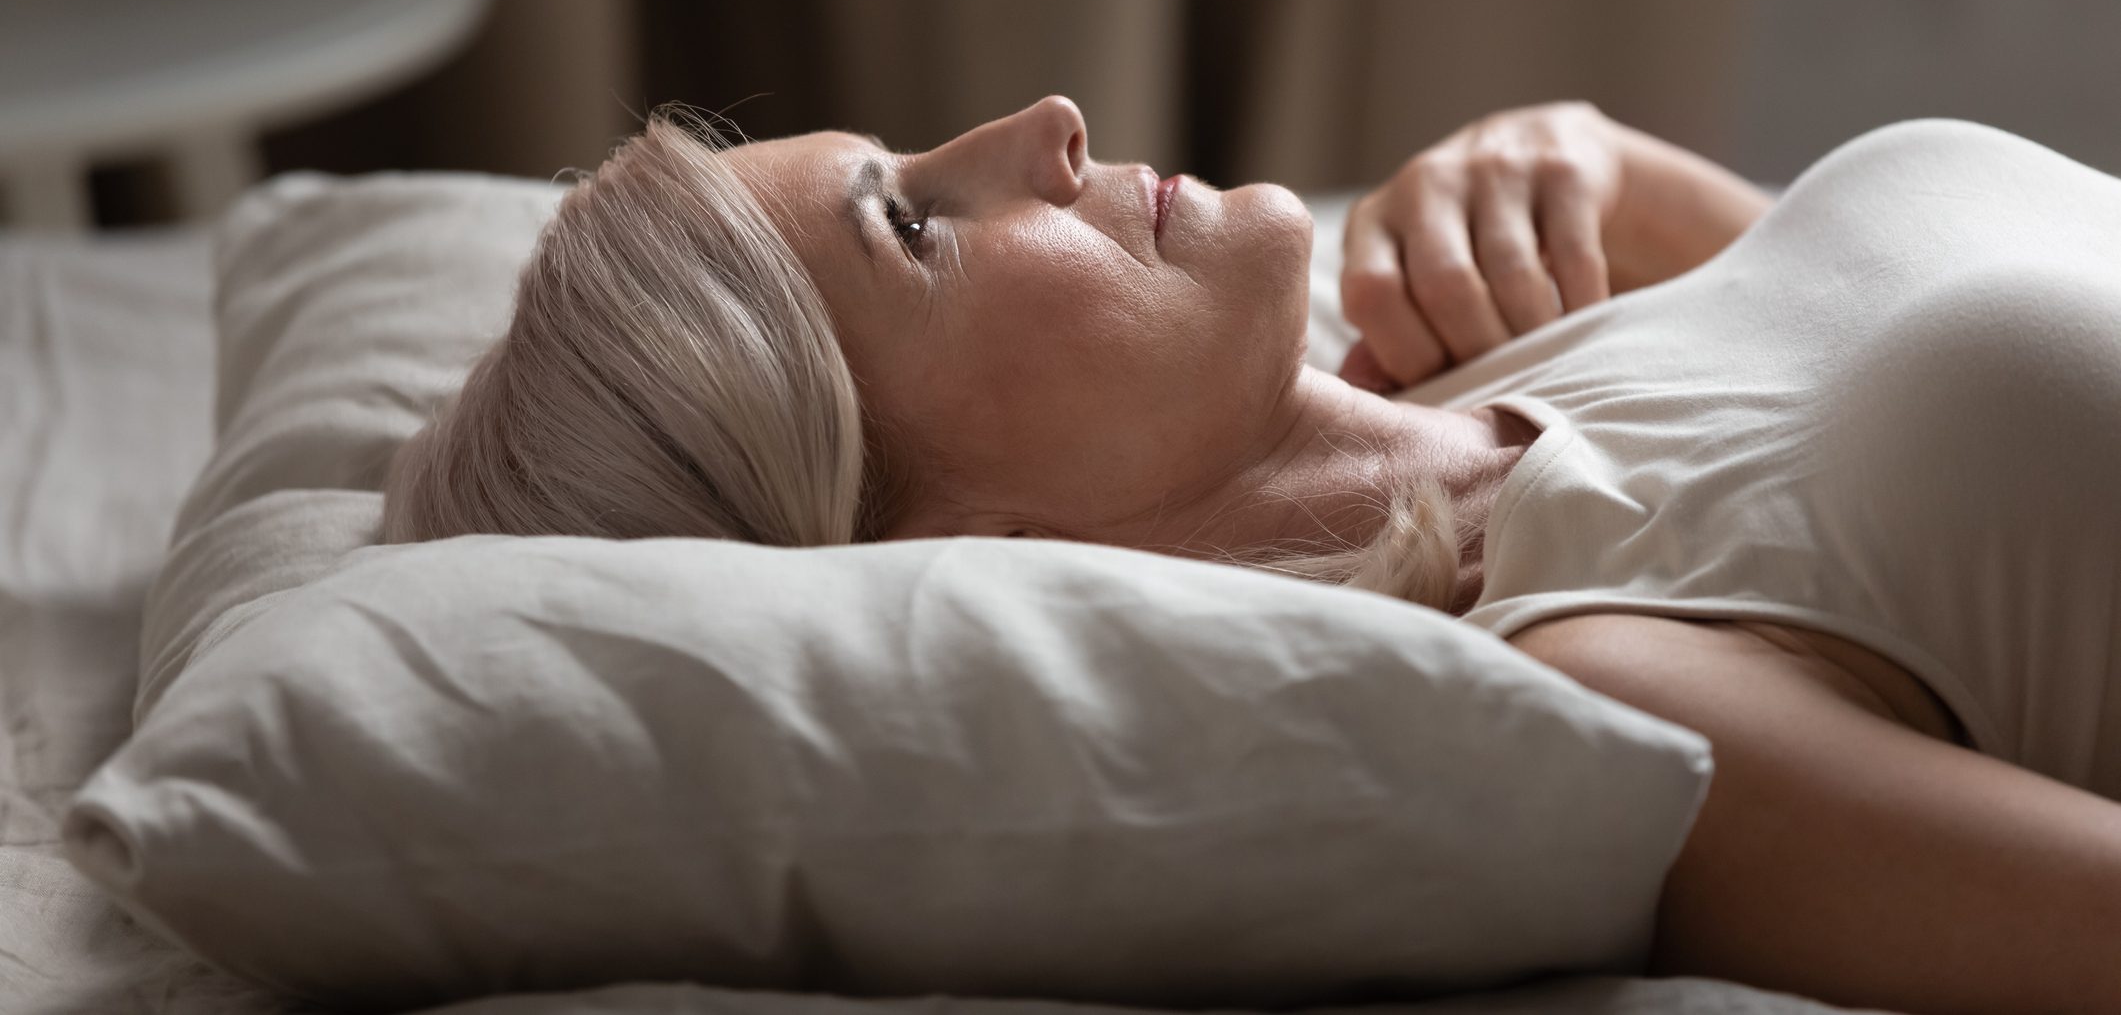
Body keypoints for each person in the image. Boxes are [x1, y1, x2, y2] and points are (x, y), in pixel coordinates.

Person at [384, 94, 2121, 1014]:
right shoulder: (1623, 683)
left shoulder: (1476, 340)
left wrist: (1610, 165)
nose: (1042, 128)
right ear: (940, 543)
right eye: (915, 224)